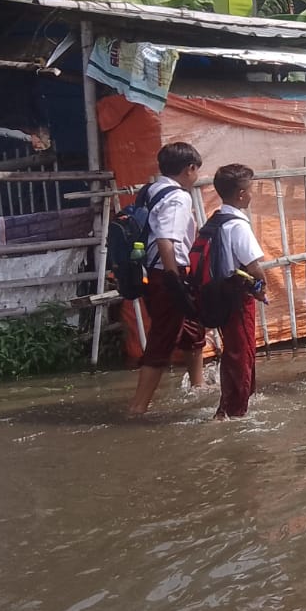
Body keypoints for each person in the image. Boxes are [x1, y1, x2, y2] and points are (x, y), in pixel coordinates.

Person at [126, 141, 205, 416]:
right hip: (169, 271)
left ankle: (198, 385)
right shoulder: (179, 197)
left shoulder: (151, 189)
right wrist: (175, 280)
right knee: (162, 336)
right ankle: (138, 407)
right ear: (189, 169)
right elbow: (165, 240)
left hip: (152, 270)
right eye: (196, 171)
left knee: (193, 327)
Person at [201, 164, 268, 420]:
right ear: (241, 194)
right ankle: (233, 412)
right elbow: (254, 266)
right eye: (250, 190)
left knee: (234, 349)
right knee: (242, 352)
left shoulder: (216, 220)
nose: (252, 194)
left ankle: (238, 400)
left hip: (217, 293)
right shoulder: (238, 225)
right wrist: (261, 289)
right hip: (236, 295)